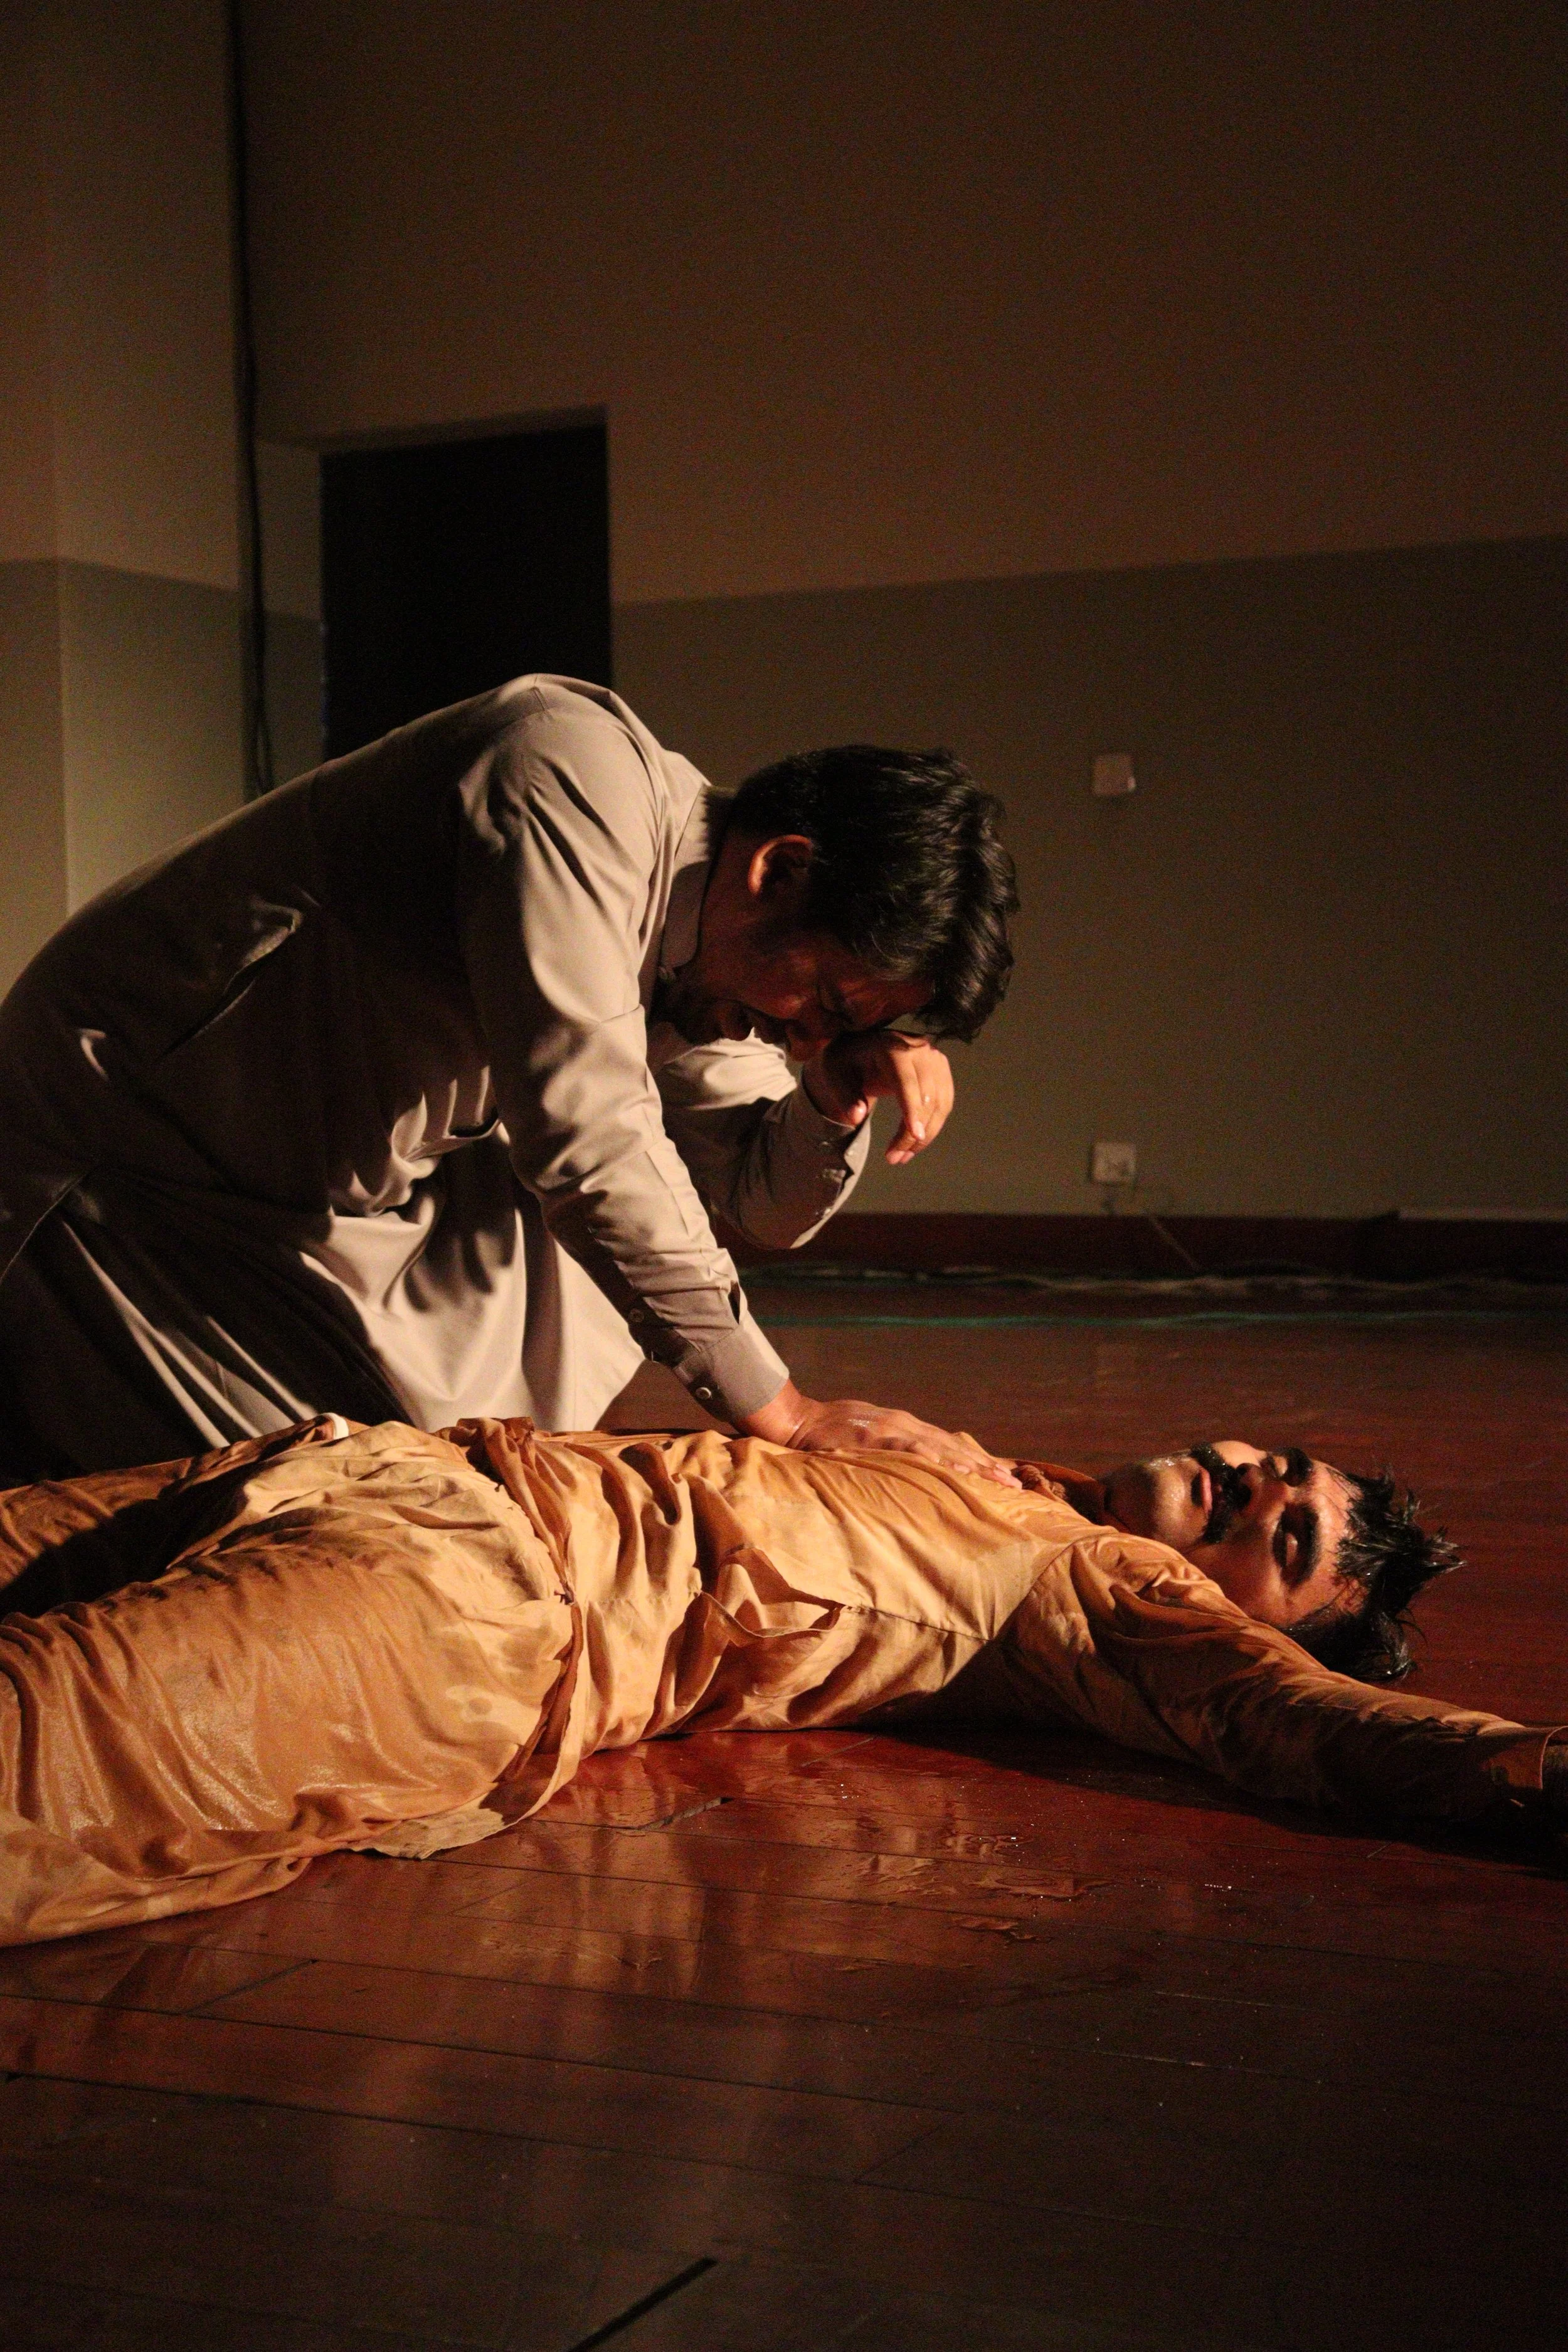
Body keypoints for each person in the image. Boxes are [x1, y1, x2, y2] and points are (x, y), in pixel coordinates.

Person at [1, 1414, 1560, 1947]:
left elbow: (1291, 1720)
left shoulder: (1113, 1593)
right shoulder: (1000, 1478)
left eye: (1285, 1538)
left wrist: (1524, 1768)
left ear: (1251, 1618)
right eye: (1275, 1463)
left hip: (473, 1599)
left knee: (35, 1750)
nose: (1251, 1483)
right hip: (370, 1463)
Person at [0, 677, 1017, 1481]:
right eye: (826, 1004)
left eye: (845, 1025)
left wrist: (833, 1092)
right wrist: (787, 1414)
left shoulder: (718, 948)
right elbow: (590, 1136)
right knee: (350, 1522)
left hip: (299, 1205)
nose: (804, 1038)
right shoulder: (570, 774)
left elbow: (755, 1201)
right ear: (779, 871)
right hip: (123, 1161)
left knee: (471, 1456)